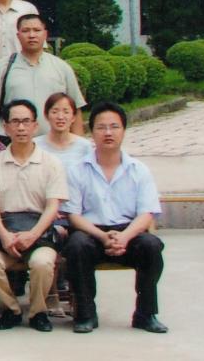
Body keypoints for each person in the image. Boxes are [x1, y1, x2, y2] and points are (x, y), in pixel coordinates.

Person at [62, 102, 168, 334]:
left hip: (128, 233)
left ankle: (145, 314)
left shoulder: (139, 169)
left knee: (151, 246)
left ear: (123, 130)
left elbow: (147, 212)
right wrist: (102, 236)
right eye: (101, 127)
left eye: (114, 127)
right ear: (92, 132)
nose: (108, 133)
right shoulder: (77, 170)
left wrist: (125, 237)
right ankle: (85, 315)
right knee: (76, 245)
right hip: (91, 232)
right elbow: (73, 215)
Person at [0, 99, 69, 333]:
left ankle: (37, 312)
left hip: (39, 231)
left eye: (26, 122)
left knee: (42, 262)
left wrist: (33, 234)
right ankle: (11, 310)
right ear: (5, 127)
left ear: (35, 125)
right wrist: (4, 235)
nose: (21, 127)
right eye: (15, 122)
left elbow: (53, 206)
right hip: (5, 232)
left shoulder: (51, 163)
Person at [0, 14, 86, 137]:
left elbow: (75, 108)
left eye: (37, 30)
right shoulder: (3, 67)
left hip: (53, 141)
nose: (31, 35)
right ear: (18, 35)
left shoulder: (61, 67)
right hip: (14, 141)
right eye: (26, 31)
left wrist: (79, 144)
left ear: (45, 34)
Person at [35, 93, 93, 173]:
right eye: (54, 112)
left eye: (66, 112)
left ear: (73, 117)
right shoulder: (35, 146)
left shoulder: (85, 146)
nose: (60, 117)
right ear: (46, 116)